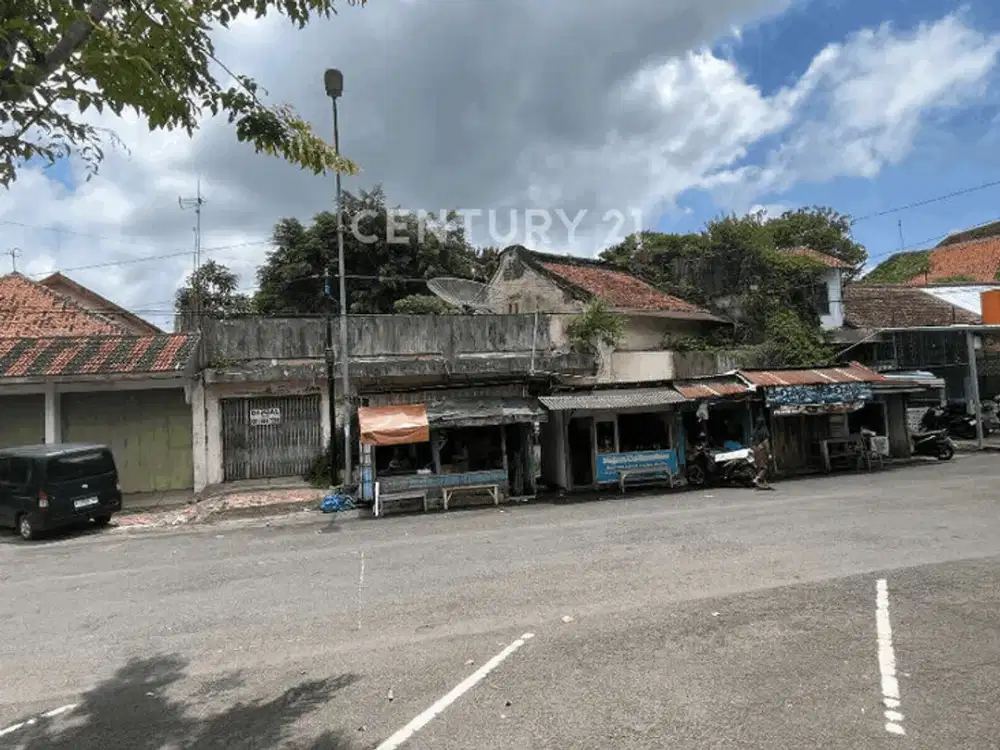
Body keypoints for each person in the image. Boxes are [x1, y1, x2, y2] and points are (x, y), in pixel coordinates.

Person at [751, 416, 773, 490]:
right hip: (762, 451)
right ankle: (756, 479)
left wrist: (755, 449)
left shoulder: (754, 431)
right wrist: (769, 453)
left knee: (759, 468)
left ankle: (764, 484)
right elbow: (766, 443)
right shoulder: (764, 431)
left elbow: (752, 442)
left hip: (755, 451)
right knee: (764, 468)